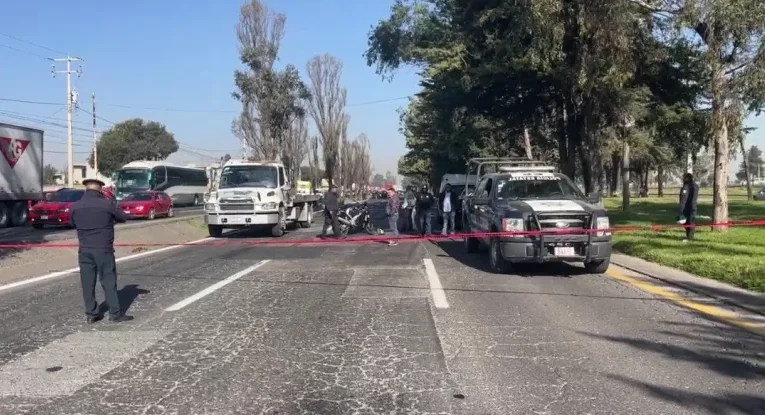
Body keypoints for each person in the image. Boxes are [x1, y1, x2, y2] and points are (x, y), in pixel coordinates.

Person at [69, 178, 132, 323]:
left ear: (86, 189)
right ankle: (115, 314)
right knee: (108, 281)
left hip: (84, 250)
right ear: (100, 189)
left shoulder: (75, 206)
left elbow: (72, 223)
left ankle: (91, 314)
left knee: (87, 283)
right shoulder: (107, 204)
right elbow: (123, 217)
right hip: (103, 249)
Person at [678, 172, 699, 241]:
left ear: (687, 178)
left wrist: (681, 209)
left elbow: (684, 199)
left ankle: (690, 237)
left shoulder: (686, 187)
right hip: (694, 206)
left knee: (688, 222)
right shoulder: (696, 185)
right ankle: (689, 236)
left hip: (687, 207)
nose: (683, 179)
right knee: (689, 222)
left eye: (684, 178)